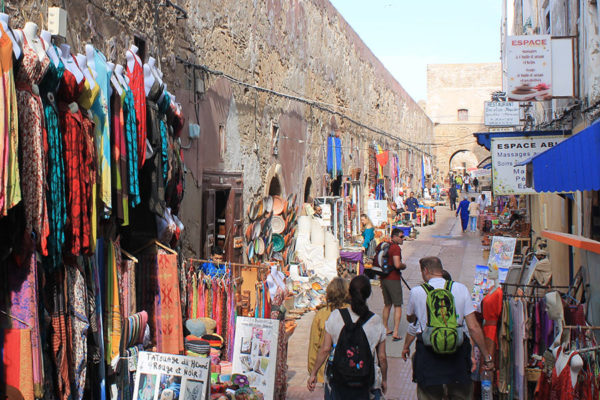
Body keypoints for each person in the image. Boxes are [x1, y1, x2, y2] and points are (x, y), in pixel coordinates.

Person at [401, 257, 493, 399]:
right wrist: (487, 357)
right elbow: (473, 327)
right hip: (457, 357)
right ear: (441, 270)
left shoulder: (417, 292)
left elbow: (411, 319)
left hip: (428, 356)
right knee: (460, 394)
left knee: (429, 395)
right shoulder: (461, 289)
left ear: (425, 271)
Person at [307, 275, 388, 399]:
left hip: (338, 381)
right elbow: (382, 357)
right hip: (366, 382)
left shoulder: (335, 316)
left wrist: (313, 373)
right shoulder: (376, 321)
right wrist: (384, 380)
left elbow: (325, 349)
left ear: (350, 293)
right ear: (368, 294)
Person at [308, 277, 349, 384]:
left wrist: (313, 371)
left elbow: (315, 345)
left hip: (325, 370)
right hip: (349, 367)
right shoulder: (353, 312)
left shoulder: (322, 314)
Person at [377, 228, 406, 341]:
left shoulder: (384, 246)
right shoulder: (395, 248)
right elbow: (397, 264)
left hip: (383, 278)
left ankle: (385, 328)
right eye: (400, 236)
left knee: (387, 304)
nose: (402, 239)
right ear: (394, 237)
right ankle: (396, 331)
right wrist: (404, 265)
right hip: (393, 279)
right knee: (398, 305)